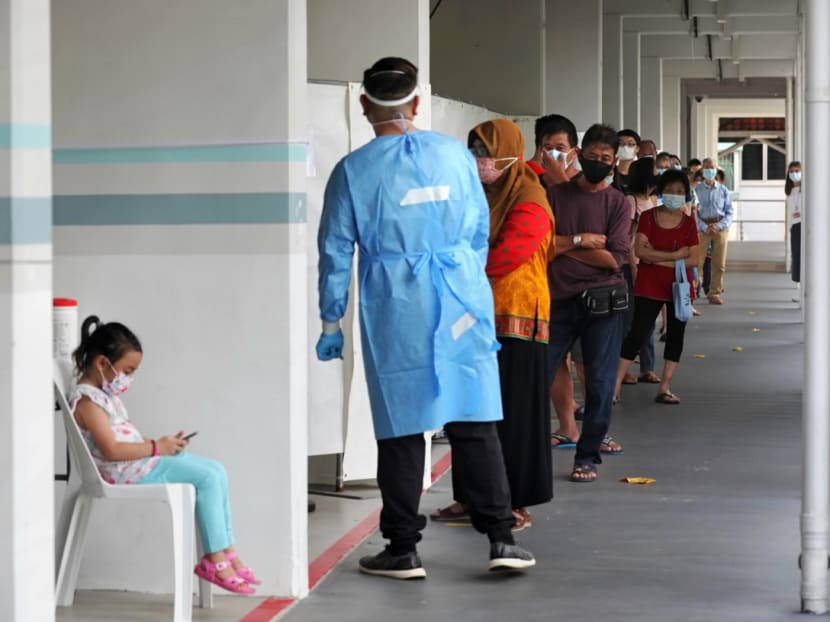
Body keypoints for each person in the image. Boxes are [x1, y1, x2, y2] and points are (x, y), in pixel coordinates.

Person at [316, 57, 534, 579]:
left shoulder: (353, 171)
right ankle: (502, 537)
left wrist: (331, 322)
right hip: (460, 291)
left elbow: (335, 252)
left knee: (401, 423)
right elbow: (480, 229)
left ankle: (403, 547)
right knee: (474, 414)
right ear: (417, 104)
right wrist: (465, 279)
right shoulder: (456, 157)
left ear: (364, 106)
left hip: (396, 301)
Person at [70, 316, 258, 595]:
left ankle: (226, 550)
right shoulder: (87, 402)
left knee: (216, 470)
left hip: (141, 463)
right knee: (206, 478)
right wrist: (158, 447)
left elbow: (123, 440)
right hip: (126, 473)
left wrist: (163, 444)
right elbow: (110, 450)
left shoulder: (105, 397)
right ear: (101, 364)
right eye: (127, 370)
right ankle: (214, 560)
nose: (129, 378)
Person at [547, 123, 631, 483]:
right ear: (579, 155)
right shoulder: (556, 195)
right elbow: (544, 247)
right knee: (538, 373)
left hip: (603, 305)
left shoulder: (618, 203)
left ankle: (588, 455)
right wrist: (584, 241)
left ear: (614, 163)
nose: (599, 162)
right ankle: (528, 450)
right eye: (592, 156)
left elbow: (615, 259)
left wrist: (568, 246)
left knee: (599, 382)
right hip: (557, 301)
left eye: (606, 158)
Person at [614, 170, 699, 404]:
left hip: (678, 287)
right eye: (670, 190)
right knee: (638, 333)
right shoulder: (648, 217)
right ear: (661, 191)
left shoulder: (689, 222)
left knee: (675, 335)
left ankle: (665, 386)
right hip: (649, 284)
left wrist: (657, 258)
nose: (675, 195)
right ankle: (614, 387)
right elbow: (640, 251)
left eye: (680, 191)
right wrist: (675, 256)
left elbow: (694, 259)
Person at [621, 158, 660, 384]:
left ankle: (647, 367)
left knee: (648, 318)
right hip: (631, 265)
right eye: (654, 170)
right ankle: (623, 366)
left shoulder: (654, 201)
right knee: (628, 319)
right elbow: (625, 239)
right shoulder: (630, 201)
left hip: (651, 264)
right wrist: (634, 267)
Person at [695, 157, 734, 304]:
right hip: (702, 228)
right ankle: (692, 292)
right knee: (696, 262)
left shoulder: (723, 190)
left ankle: (715, 292)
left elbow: (730, 212)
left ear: (716, 170)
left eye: (712, 168)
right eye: (706, 168)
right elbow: (694, 213)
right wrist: (705, 226)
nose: (709, 170)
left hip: (720, 227)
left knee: (719, 263)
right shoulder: (696, 190)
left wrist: (719, 226)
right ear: (702, 171)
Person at [528, 114, 581, 188]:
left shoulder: (585, 182)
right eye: (548, 148)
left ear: (575, 152)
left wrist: (559, 176)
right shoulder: (533, 183)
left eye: (560, 148)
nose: (553, 153)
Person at [786, 161, 803, 300]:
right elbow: (790, 212)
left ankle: (804, 291)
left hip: (804, 225)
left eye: (797, 171)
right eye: (791, 171)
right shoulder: (790, 191)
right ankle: (800, 289)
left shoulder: (807, 189)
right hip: (795, 227)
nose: (794, 174)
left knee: (804, 257)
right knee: (796, 257)